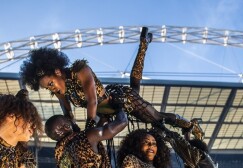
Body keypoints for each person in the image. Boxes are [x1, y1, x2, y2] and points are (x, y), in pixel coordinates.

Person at [20, 27, 203, 137]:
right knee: (97, 139)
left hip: (121, 100)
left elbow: (92, 101)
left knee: (156, 118)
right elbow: (68, 113)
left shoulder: (81, 70)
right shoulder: (60, 91)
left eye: (51, 84)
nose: (53, 89)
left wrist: (89, 126)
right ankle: (143, 44)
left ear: (58, 71)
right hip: (104, 113)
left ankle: (190, 125)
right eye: (47, 88)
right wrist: (74, 129)